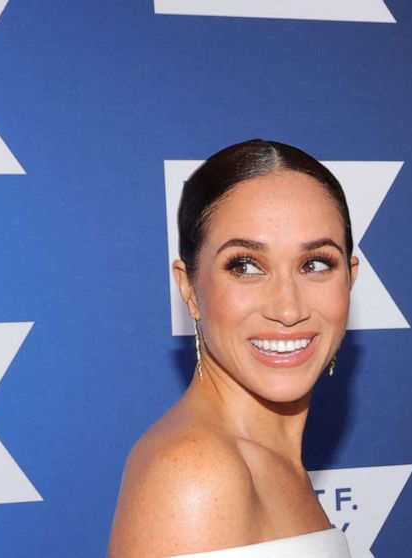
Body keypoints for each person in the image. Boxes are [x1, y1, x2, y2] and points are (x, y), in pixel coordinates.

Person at [108, 140, 357, 557]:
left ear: (350, 277)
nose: (288, 308)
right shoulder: (196, 474)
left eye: (315, 263)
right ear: (188, 287)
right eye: (245, 266)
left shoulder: (268, 460)